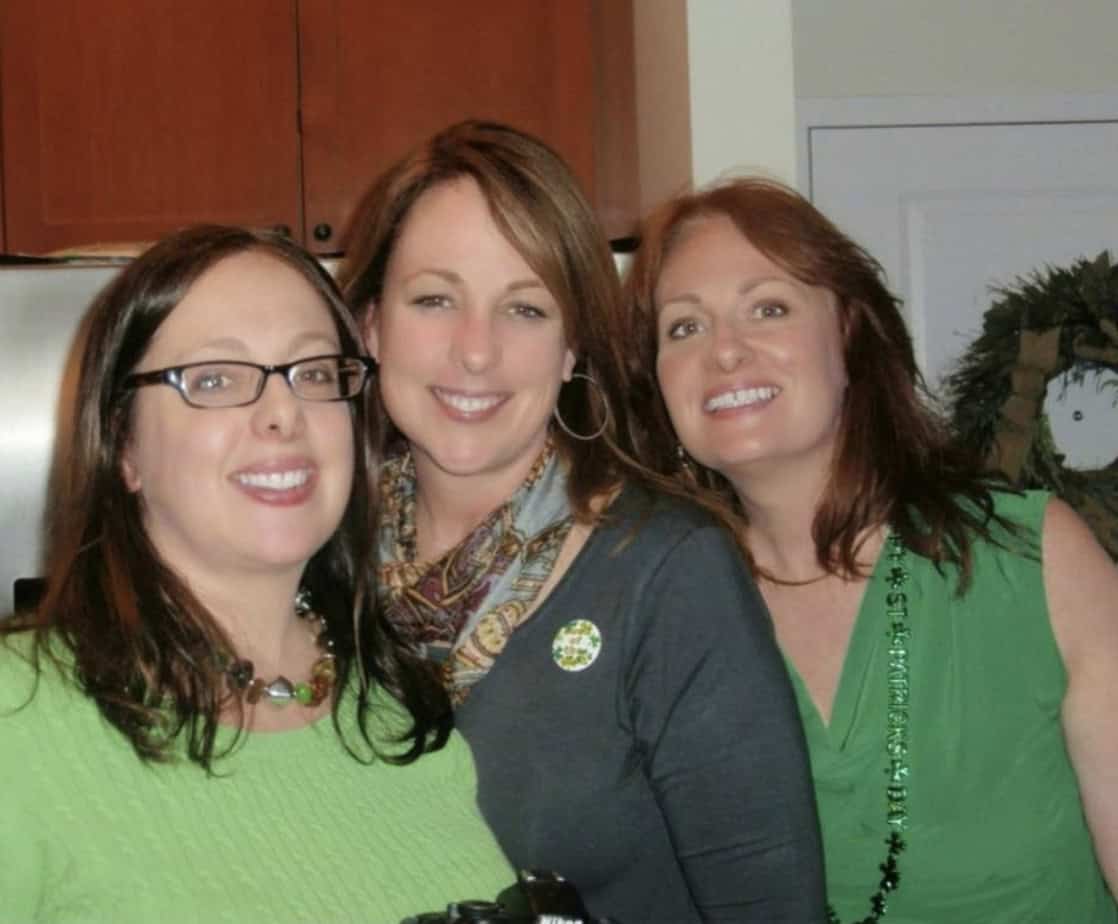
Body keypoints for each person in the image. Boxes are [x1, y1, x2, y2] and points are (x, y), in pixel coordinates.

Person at [338, 121, 827, 923]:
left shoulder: (668, 571)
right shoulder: (316, 561)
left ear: (572, 349)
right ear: (371, 326)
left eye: (525, 309)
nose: (474, 351)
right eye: (434, 299)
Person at [622, 176, 1118, 923]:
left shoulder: (1033, 557)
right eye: (684, 327)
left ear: (851, 334)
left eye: (769, 308)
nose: (725, 352)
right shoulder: (658, 614)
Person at [0, 225, 514, 923]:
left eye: (312, 374)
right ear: (124, 446)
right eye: (214, 378)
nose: (282, 415)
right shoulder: (19, 716)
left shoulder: (395, 703)